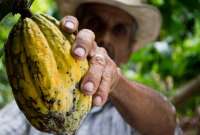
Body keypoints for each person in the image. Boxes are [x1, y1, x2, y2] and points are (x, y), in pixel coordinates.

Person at [0, 0, 183, 135]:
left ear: (130, 48)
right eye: (96, 23)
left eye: (119, 30)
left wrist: (116, 82)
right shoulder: (30, 98)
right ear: (73, 28)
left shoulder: (135, 114)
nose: (105, 38)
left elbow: (167, 125)